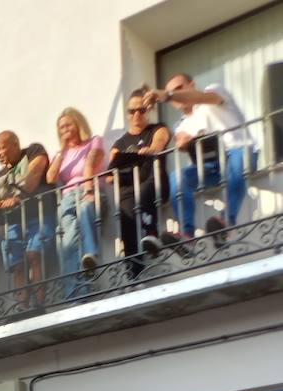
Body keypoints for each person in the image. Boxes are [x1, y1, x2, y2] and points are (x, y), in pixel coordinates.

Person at [155, 73, 252, 242]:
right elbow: (180, 139)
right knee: (177, 177)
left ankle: (226, 222)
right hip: (211, 167)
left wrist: (167, 95)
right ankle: (187, 236)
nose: (176, 95)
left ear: (192, 84)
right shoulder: (181, 124)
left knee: (239, 157)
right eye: (172, 93)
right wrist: (183, 142)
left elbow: (203, 97)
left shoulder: (213, 91)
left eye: (179, 88)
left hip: (238, 153)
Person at [108, 86, 171, 270]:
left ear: (148, 110)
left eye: (141, 110)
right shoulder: (120, 143)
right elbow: (109, 177)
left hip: (154, 181)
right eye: (131, 111)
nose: (136, 114)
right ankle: (134, 272)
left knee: (144, 192)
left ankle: (151, 233)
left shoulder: (158, 129)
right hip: (128, 187)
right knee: (125, 215)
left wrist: (148, 150)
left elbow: (159, 144)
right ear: (127, 114)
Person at [45, 108, 106, 281]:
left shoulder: (94, 142)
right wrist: (62, 151)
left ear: (78, 124)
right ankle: (74, 292)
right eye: (61, 127)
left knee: (86, 208)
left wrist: (88, 190)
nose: (64, 130)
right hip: (67, 198)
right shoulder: (60, 154)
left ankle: (91, 255)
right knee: (68, 243)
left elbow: (90, 164)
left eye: (68, 125)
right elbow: (51, 178)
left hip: (89, 189)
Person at [0, 131, 53, 289]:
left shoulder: (33, 151)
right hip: (13, 222)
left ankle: (39, 302)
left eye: (2, 148)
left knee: (34, 255)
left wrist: (18, 197)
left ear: (15, 144)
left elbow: (33, 175)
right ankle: (23, 307)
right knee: (17, 264)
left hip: (39, 215)